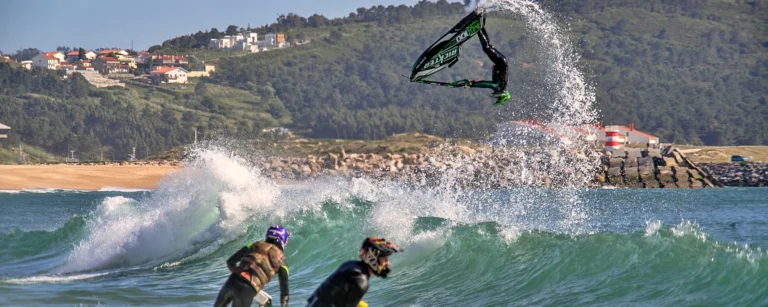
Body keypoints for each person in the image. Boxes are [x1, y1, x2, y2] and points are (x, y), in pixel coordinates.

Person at [306, 237, 402, 307]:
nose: (387, 263)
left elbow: (333, 295)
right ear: (373, 257)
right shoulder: (361, 280)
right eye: (384, 258)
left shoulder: (351, 265)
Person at [213, 225, 291, 307]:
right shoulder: (282, 262)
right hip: (247, 290)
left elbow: (230, 262)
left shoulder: (254, 245)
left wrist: (238, 275)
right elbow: (284, 293)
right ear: (283, 240)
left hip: (232, 281)